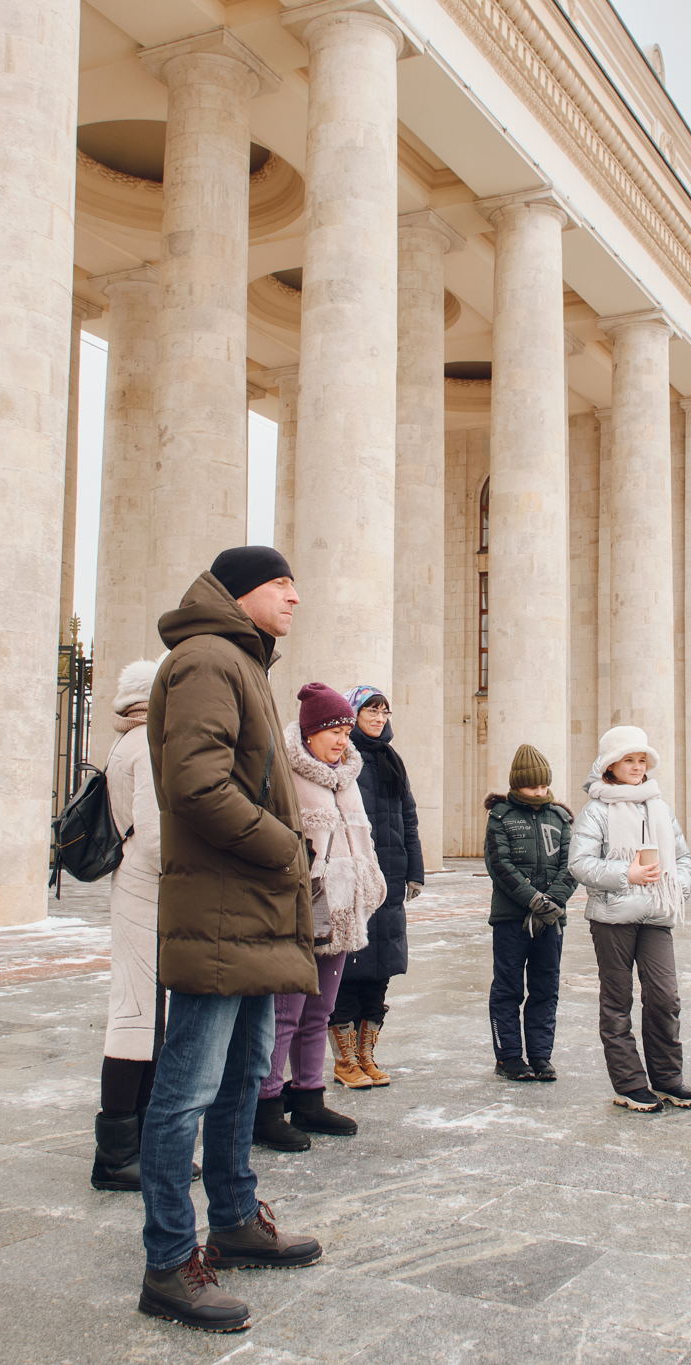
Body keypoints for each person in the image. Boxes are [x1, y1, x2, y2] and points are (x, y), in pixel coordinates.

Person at [137, 547, 325, 1333]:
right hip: (221, 910)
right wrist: (285, 846)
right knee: (187, 1087)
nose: (294, 596)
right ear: (243, 590)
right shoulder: (208, 661)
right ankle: (170, 1261)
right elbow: (199, 784)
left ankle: (238, 1218)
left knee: (246, 1071)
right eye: (282, 583)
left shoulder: (241, 661)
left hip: (248, 911)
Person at [253, 684, 381, 1151]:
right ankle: (265, 1104)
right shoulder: (288, 773)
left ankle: (308, 1095)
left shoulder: (346, 777)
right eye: (333, 729)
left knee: (320, 1010)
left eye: (346, 729)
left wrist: (372, 885)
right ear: (309, 732)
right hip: (301, 908)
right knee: (283, 1013)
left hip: (344, 913)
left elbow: (361, 842)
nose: (341, 739)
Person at [569, 725, 691, 1112]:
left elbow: (683, 858)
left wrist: (678, 887)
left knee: (664, 996)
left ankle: (667, 1079)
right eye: (630, 759)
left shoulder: (658, 806)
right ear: (611, 764)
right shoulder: (597, 809)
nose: (638, 766)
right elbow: (579, 863)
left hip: (657, 914)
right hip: (613, 917)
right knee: (617, 1000)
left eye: (642, 760)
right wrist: (627, 873)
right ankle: (629, 1084)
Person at [91, 658, 175, 1191]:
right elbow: (157, 836)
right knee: (137, 1017)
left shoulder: (128, 739)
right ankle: (117, 1156)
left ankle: (137, 1146)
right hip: (148, 890)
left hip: (138, 888)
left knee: (144, 1018)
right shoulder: (147, 744)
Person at [330, 684, 424, 1087]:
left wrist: (414, 871)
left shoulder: (391, 759)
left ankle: (367, 1056)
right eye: (371, 709)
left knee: (381, 970)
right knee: (349, 969)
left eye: (384, 711)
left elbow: (408, 818)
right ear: (353, 714)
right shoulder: (343, 757)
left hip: (388, 880)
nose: (379, 717)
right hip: (352, 880)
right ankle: (345, 1061)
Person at [484, 744, 576, 1081]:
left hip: (551, 920)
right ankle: (509, 1057)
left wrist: (552, 902)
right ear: (517, 785)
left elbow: (571, 865)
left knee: (545, 987)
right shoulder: (501, 817)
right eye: (533, 786)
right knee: (508, 987)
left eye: (543, 786)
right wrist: (533, 900)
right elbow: (500, 865)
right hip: (512, 919)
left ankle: (540, 1055)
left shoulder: (561, 817)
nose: (540, 792)